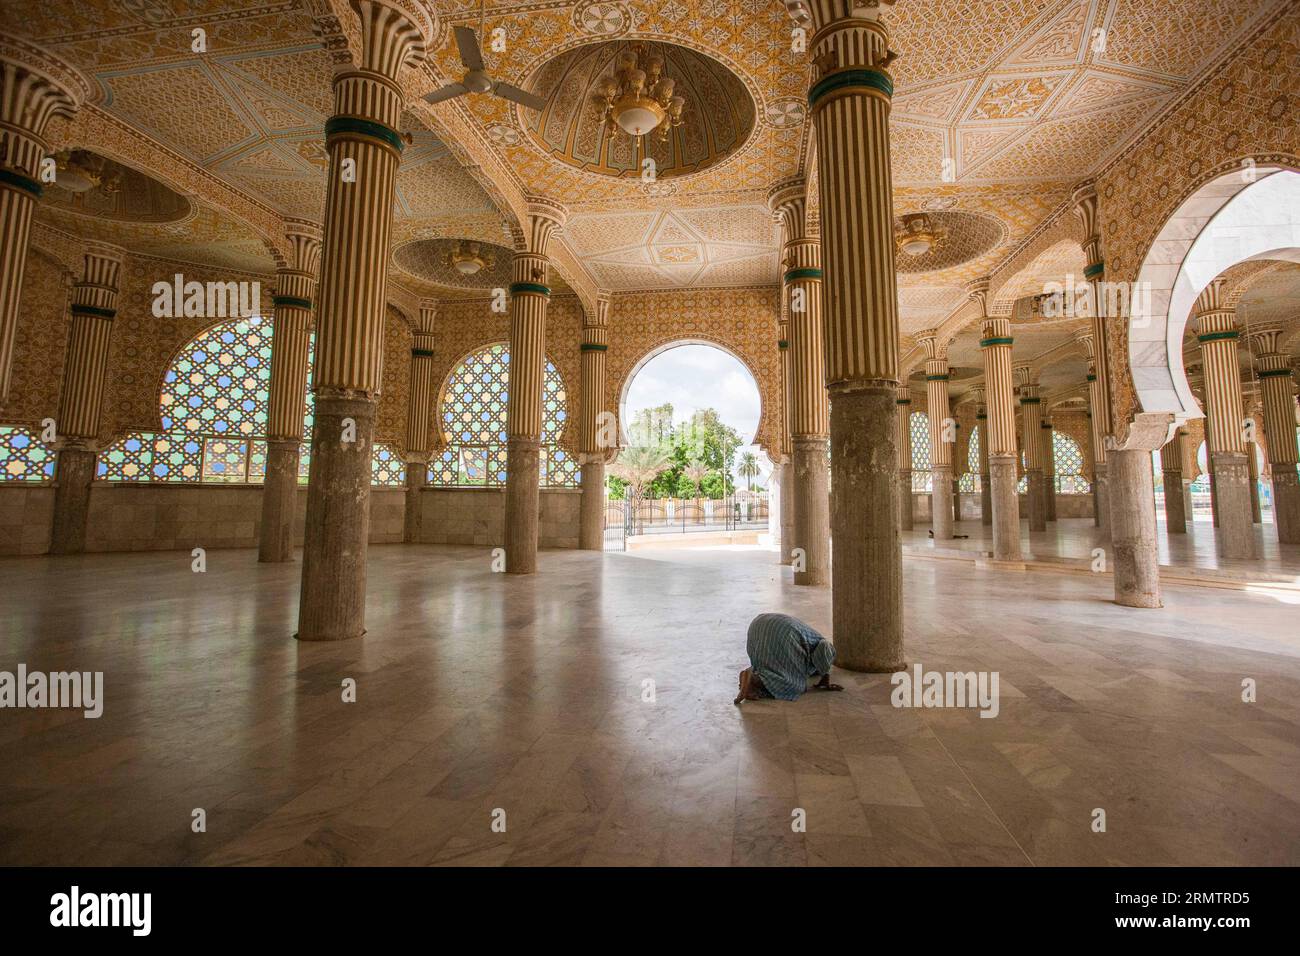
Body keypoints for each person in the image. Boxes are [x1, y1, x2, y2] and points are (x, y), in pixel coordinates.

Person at [734, 613, 842, 704]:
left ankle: (752, 684)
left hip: (758, 624)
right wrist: (825, 681)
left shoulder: (811, 635)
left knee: (767, 664)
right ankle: (754, 679)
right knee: (793, 683)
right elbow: (823, 655)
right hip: (784, 634)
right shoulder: (824, 644)